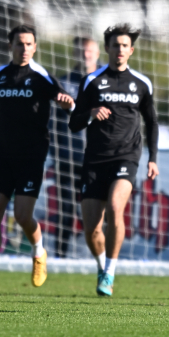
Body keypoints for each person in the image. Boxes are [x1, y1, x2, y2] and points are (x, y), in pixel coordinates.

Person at [0, 25, 74, 294]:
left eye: (30, 44)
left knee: (21, 215)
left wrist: (68, 104)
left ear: (36, 46)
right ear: (10, 46)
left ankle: (39, 252)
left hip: (31, 154)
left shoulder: (42, 77)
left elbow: (67, 103)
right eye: (20, 44)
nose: (25, 48)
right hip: (0, 153)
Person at [69, 24, 158, 297]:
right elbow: (74, 123)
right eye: (115, 45)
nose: (119, 50)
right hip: (95, 160)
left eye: (124, 45)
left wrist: (152, 159)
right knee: (92, 228)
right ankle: (100, 265)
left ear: (131, 50)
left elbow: (152, 122)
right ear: (106, 48)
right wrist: (91, 113)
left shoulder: (141, 83)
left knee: (117, 210)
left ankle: (110, 271)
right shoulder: (91, 81)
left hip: (127, 157)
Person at [50, 36, 99, 258]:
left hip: (99, 159)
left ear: (98, 52)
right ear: (74, 54)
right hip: (68, 159)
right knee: (66, 211)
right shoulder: (63, 83)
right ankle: (60, 257)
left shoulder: (107, 81)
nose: (85, 55)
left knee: (100, 214)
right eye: (81, 51)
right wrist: (55, 152)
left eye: (89, 51)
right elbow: (52, 123)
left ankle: (104, 260)